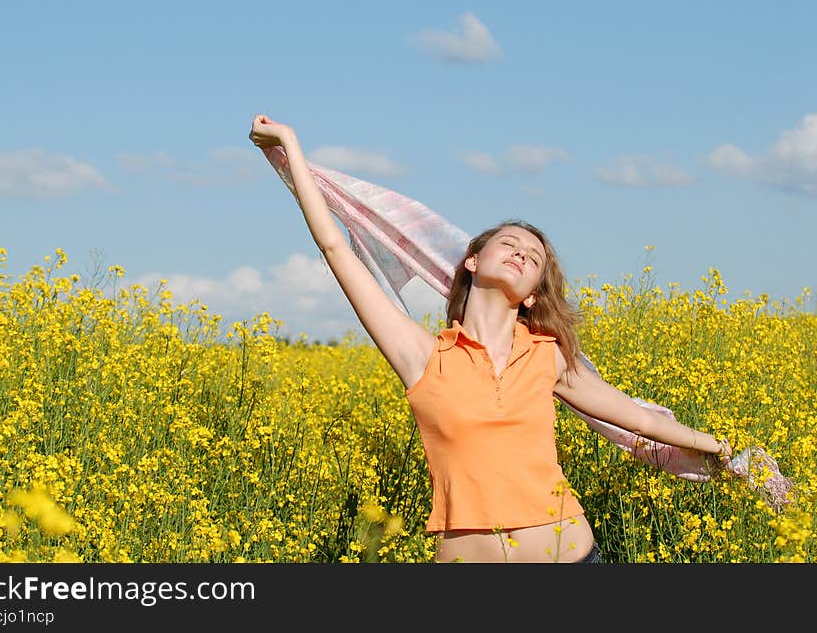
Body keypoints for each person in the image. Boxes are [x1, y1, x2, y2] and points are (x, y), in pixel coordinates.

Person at [248, 114, 733, 563]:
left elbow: (637, 418)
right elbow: (335, 247)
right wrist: (289, 146)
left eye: (535, 258)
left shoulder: (548, 357)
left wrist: (722, 452)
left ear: (531, 296)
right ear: (473, 261)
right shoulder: (422, 356)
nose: (522, 253)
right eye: (509, 243)